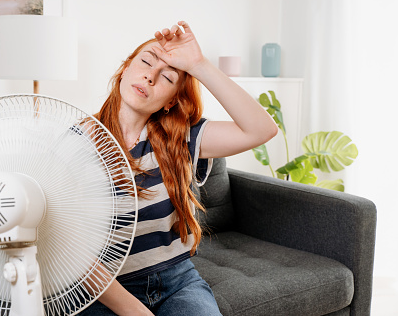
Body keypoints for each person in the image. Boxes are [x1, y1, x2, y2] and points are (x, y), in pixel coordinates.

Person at [80, 21, 278, 316]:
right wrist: (134, 310)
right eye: (145, 62)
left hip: (177, 282)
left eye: (167, 77)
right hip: (105, 290)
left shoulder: (181, 138)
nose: (150, 76)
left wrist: (198, 64)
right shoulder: (77, 144)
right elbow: (71, 253)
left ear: (171, 100)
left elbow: (261, 130)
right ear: (125, 69)